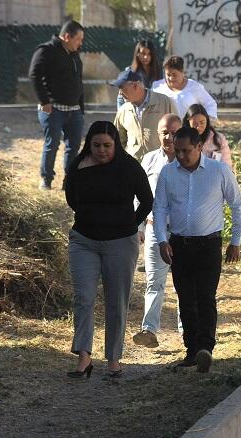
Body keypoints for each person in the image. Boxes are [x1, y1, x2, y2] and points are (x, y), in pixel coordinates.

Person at [64, 121, 153, 379]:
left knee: (116, 302)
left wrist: (130, 225)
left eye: (107, 146)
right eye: (96, 145)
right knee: (84, 298)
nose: (102, 150)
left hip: (120, 243)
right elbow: (72, 200)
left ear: (116, 145)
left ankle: (113, 359)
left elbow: (147, 200)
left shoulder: (129, 167)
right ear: (88, 145)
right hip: (84, 241)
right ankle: (83, 357)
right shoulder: (78, 167)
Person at [153, 127, 241, 372]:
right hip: (179, 244)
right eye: (177, 150)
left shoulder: (219, 171)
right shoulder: (168, 173)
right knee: (185, 298)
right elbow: (160, 209)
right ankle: (191, 350)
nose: (181, 155)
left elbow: (237, 205)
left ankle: (206, 348)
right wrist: (162, 240)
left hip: (209, 244)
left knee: (205, 297)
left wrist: (235, 241)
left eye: (186, 151)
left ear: (199, 147)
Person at [132, 114, 183, 348]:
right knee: (154, 282)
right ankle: (149, 330)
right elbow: (139, 197)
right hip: (154, 229)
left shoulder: (190, 161)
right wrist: (139, 226)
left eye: (174, 132)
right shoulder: (149, 160)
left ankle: (187, 330)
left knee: (184, 282)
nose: (169, 137)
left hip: (183, 232)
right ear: (158, 133)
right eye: (164, 132)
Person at [28, 20, 85, 191]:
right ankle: (46, 179)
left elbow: (78, 81)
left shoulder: (74, 54)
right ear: (67, 36)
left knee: (74, 145)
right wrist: (44, 101)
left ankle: (69, 180)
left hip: (74, 110)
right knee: (52, 144)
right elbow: (34, 75)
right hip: (53, 109)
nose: (80, 43)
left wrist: (81, 107)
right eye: (78, 39)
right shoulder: (46, 50)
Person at [112, 69, 175, 161]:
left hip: (161, 164)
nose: (120, 93)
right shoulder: (123, 110)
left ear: (135, 86)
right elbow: (118, 141)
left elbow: (179, 132)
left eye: (122, 88)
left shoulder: (164, 102)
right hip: (133, 166)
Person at [152, 56, 218, 121]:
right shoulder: (157, 87)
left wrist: (202, 121)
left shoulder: (195, 87)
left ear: (182, 72)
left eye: (174, 75)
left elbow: (210, 105)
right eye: (168, 75)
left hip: (189, 130)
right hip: (163, 130)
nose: (171, 78)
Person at [117, 40, 161, 110]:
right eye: (143, 53)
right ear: (137, 54)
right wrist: (121, 113)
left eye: (149, 54)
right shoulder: (130, 72)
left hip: (156, 110)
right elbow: (121, 97)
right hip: (136, 110)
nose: (146, 57)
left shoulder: (160, 71)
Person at [184, 104, 232, 168]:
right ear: (188, 122)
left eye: (202, 122)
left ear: (207, 121)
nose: (198, 127)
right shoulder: (181, 139)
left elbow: (226, 165)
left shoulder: (219, 139)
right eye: (195, 123)